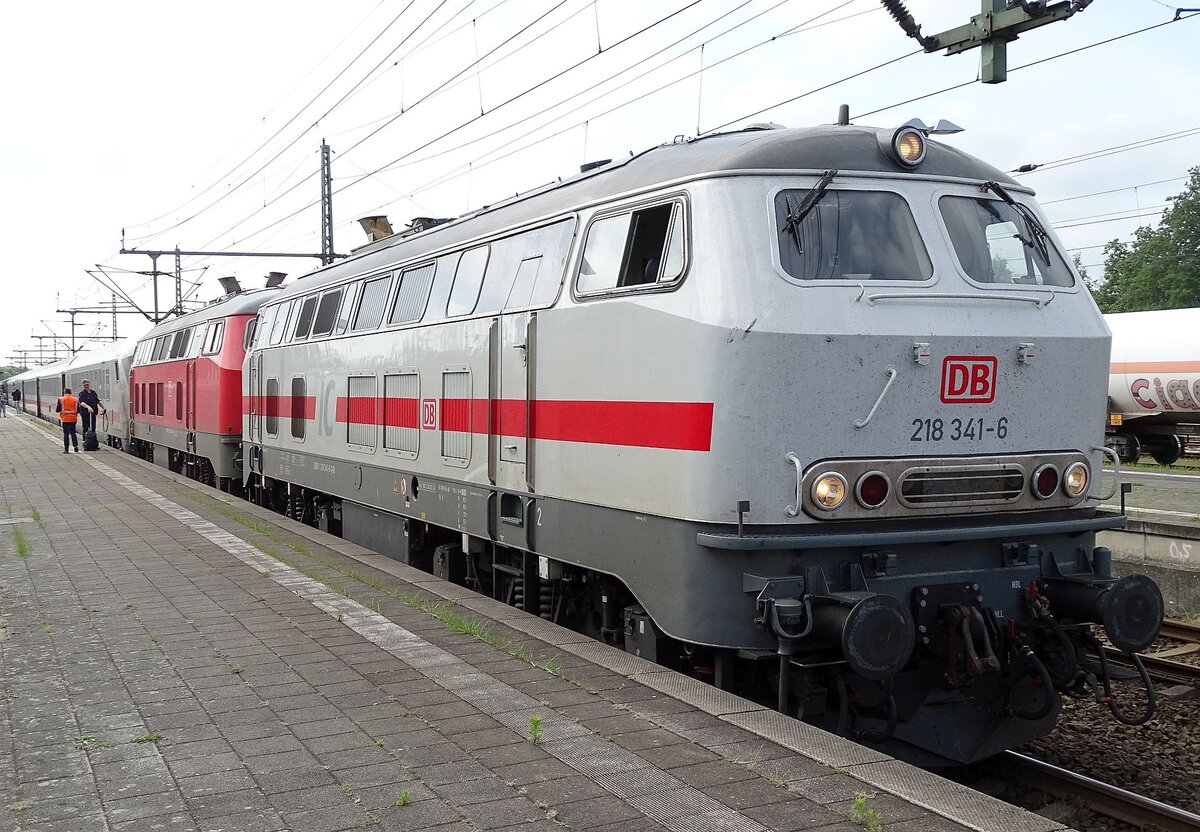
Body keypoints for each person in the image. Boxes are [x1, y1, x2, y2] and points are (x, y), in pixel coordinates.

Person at [56, 387, 80, 453]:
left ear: (64, 392)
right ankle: (76, 447)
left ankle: (66, 450)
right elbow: (78, 410)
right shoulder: (75, 399)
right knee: (73, 433)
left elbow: (57, 410)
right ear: (71, 392)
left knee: (66, 434)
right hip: (73, 419)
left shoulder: (61, 399)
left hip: (65, 419)